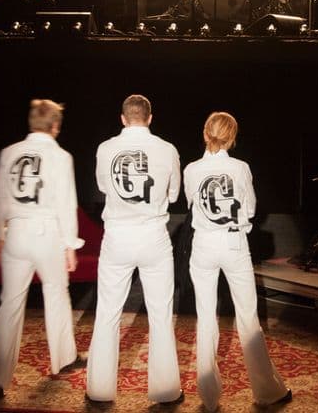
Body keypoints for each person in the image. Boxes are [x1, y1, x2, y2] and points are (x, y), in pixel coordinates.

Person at [184, 112, 290, 412]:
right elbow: (251, 209)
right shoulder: (241, 168)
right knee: (247, 317)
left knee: (206, 317)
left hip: (204, 245)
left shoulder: (191, 169)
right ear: (232, 138)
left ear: (205, 134)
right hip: (233, 243)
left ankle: (208, 397)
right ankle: (267, 391)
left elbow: (191, 203)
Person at [0, 99, 85, 406]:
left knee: (10, 304)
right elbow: (66, 203)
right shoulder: (60, 156)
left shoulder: (8, 152)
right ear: (55, 126)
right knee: (56, 293)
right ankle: (64, 359)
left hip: (15, 233)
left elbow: (0, 197)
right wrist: (70, 244)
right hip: (46, 233)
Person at [85, 95, 184, 405]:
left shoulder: (105, 148)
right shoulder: (167, 149)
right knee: (160, 315)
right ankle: (166, 391)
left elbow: (104, 188)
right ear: (150, 118)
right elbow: (173, 195)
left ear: (123, 118)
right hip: (154, 236)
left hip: (117, 236)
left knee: (107, 313)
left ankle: (99, 390)